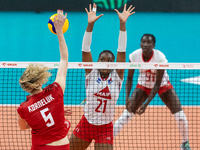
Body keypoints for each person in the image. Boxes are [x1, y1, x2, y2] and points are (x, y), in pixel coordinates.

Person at [69, 3, 135, 150]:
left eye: (110, 60)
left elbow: (121, 49)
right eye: (102, 59)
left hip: (105, 129)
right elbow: (85, 49)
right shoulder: (90, 72)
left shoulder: (118, 74)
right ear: (97, 62)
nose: (106, 62)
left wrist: (122, 24)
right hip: (86, 125)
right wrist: (90, 25)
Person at [113, 34, 191, 150]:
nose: (145, 45)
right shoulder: (134, 56)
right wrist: (127, 98)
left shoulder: (160, 58)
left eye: (149, 43)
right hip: (143, 85)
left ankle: (185, 143)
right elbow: (129, 78)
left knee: (180, 116)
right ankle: (108, 138)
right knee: (126, 115)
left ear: (153, 45)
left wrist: (146, 104)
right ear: (140, 44)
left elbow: (158, 83)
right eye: (143, 42)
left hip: (162, 85)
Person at [17, 10, 71, 150]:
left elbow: (23, 127)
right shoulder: (56, 91)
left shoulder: (23, 108)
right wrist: (59, 32)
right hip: (62, 146)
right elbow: (64, 58)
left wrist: (40, 119)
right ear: (40, 81)